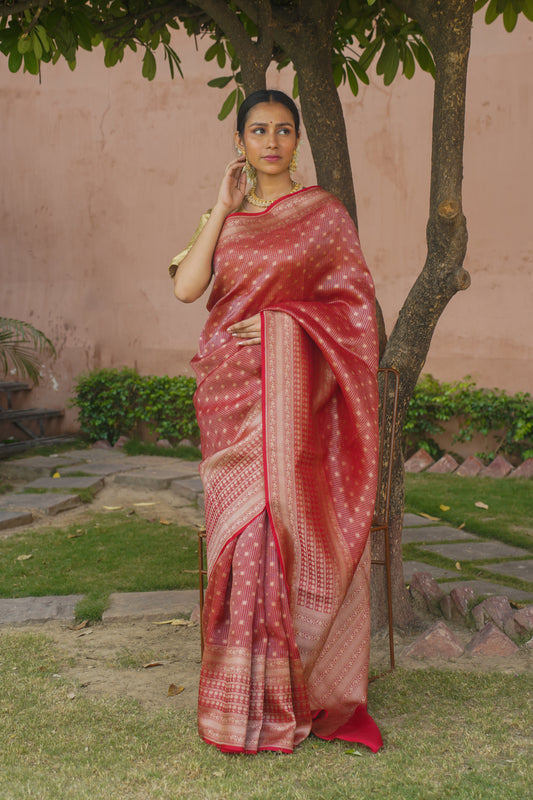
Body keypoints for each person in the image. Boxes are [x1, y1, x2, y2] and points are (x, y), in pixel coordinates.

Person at [169, 89, 382, 754]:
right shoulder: (227, 218)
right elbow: (187, 289)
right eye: (256, 131)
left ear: (297, 141)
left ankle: (294, 690)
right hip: (231, 398)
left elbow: (354, 312)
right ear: (239, 142)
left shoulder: (321, 216)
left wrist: (281, 330)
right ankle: (244, 699)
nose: (270, 142)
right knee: (241, 541)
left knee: (281, 535)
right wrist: (220, 208)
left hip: (299, 402)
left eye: (282, 130)